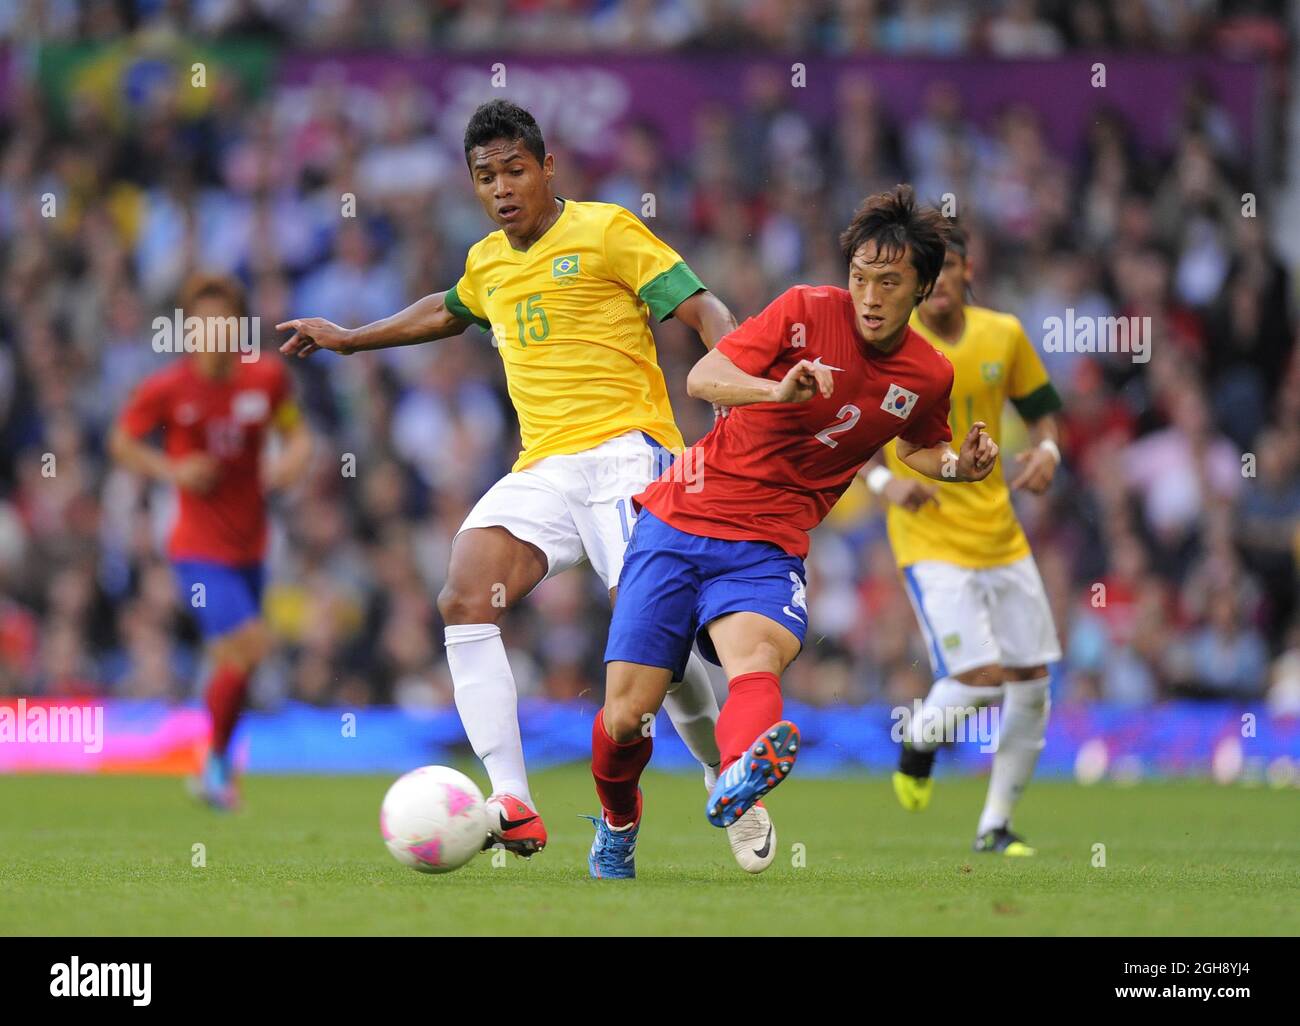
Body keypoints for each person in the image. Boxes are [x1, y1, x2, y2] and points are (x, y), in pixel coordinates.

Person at [277, 99, 754, 864]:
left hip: (629, 456)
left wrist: (738, 390)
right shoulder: (488, 262)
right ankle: (514, 800)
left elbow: (704, 307)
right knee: (463, 593)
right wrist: (351, 339)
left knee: (658, 654)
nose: (501, 188)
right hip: (543, 468)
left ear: (547, 167)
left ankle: (718, 773)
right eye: (485, 176)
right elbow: (449, 307)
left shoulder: (606, 230)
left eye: (514, 170)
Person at [587, 186, 999, 879]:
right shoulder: (806, 310)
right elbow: (704, 376)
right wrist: (774, 391)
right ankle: (619, 823)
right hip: (679, 519)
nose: (869, 295)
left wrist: (961, 465)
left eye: (889, 282)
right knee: (626, 717)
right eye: (861, 277)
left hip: (769, 543)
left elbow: (918, 448)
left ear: (923, 288)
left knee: (758, 660)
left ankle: (739, 775)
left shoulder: (930, 373)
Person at [869, 224, 1063, 856]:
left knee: (1032, 678)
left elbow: (1040, 409)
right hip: (929, 536)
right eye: (928, 273)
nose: (939, 282)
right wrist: (882, 481)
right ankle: (921, 738)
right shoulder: (892, 343)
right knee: (980, 676)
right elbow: (851, 429)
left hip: (1001, 533)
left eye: (948, 267)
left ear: (965, 270)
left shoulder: (1002, 334)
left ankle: (996, 825)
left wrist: (1049, 450)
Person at [111, 273, 313, 809]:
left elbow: (297, 436)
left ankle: (216, 766)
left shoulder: (266, 380)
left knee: (241, 660)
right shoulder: (167, 388)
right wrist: (172, 469)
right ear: (187, 329)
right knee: (250, 647)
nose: (213, 331)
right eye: (201, 322)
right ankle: (214, 765)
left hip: (252, 545)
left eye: (224, 320)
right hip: (197, 548)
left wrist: (288, 466)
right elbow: (122, 442)